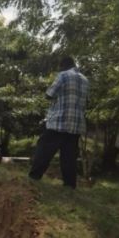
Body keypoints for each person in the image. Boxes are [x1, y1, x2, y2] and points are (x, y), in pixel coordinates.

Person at [29, 56, 89, 189]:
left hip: (59, 122)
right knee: (69, 156)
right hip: (76, 125)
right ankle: (69, 186)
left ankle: (34, 177)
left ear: (63, 65)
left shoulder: (63, 75)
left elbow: (49, 94)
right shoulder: (85, 80)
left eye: (60, 67)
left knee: (44, 149)